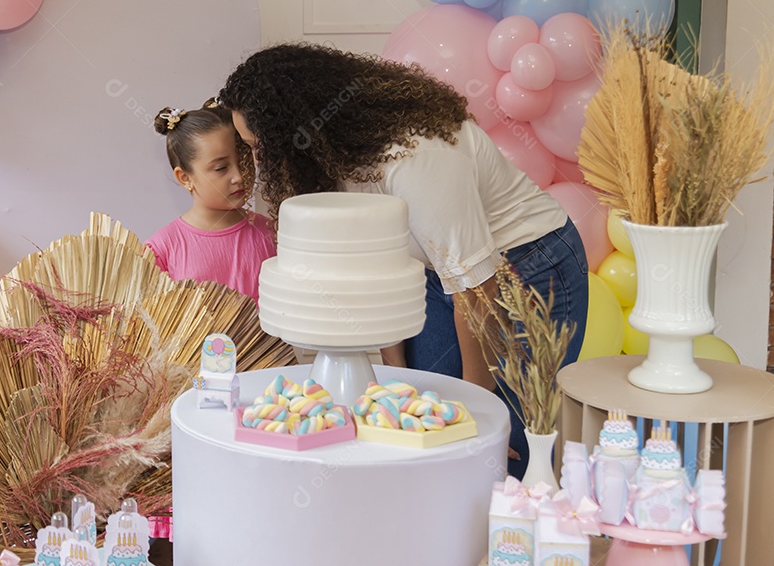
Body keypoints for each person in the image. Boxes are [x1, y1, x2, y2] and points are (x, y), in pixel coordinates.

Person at [218, 43, 588, 475]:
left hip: (528, 265)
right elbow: (380, 267)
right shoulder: (329, 156)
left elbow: (477, 289)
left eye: (259, 146)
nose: (259, 161)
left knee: (505, 445)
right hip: (443, 275)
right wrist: (395, 379)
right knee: (419, 425)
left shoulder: (415, 155)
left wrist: (474, 413)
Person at [145, 100, 276, 302]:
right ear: (185, 178)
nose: (238, 176)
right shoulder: (162, 251)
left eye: (243, 161)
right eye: (221, 168)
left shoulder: (271, 234)